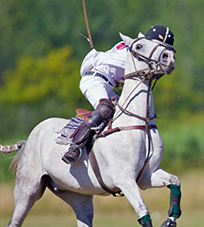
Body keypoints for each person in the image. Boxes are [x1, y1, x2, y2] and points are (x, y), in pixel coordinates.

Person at [62, 25, 175, 164]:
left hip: (108, 84)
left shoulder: (138, 48)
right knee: (105, 108)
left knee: (125, 115)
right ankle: (74, 147)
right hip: (94, 79)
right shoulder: (138, 51)